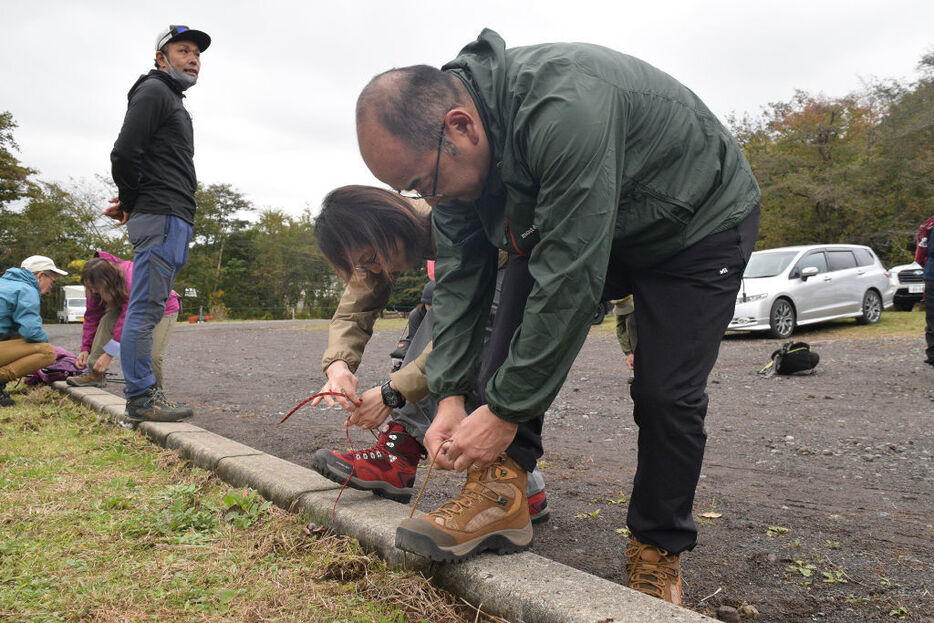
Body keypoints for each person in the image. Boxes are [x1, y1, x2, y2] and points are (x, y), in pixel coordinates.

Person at [355, 30, 761, 604]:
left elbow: (571, 276)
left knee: (665, 392)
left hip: (695, 225)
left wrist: (504, 410)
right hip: (599, 221)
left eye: (421, 183)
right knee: (513, 289)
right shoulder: (455, 178)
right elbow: (460, 290)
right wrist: (449, 397)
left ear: (460, 127)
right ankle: (502, 493)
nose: (426, 198)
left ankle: (656, 550)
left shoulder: (563, 107)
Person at [310, 185, 549, 522]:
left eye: (372, 259)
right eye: (363, 265)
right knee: (421, 314)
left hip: (534, 280)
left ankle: (511, 480)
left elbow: (468, 325)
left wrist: (394, 392)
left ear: (388, 225)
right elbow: (353, 310)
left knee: (454, 313)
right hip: (494, 287)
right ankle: (402, 452)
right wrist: (338, 367)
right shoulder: (381, 245)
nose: (376, 270)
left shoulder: (456, 218)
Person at [105, 25, 211, 422]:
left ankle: (145, 392)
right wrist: (133, 203)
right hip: (161, 215)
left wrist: (135, 201)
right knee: (147, 309)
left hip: (172, 215)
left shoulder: (171, 99)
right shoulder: (153, 91)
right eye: (183, 50)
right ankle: (141, 395)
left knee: (149, 307)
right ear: (160, 58)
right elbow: (124, 153)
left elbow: (148, 159)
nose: (193, 59)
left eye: (197, 54)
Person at [67, 253, 181, 389]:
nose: (93, 292)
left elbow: (129, 318)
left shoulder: (131, 279)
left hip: (163, 308)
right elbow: (92, 317)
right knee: (107, 321)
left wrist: (109, 354)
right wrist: (85, 348)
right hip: (132, 308)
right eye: (91, 289)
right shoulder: (93, 282)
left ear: (107, 282)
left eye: (96, 289)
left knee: (151, 356)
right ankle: (95, 374)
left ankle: (154, 395)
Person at [0, 256, 65, 406]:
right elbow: (32, 333)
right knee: (47, 351)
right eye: (52, 282)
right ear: (41, 276)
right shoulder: (26, 289)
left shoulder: (4, 284)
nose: (50, 289)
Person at [916, 213, 934, 366]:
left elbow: (922, 253)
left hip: (931, 275)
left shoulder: (930, 223)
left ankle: (932, 355)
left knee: (932, 319)